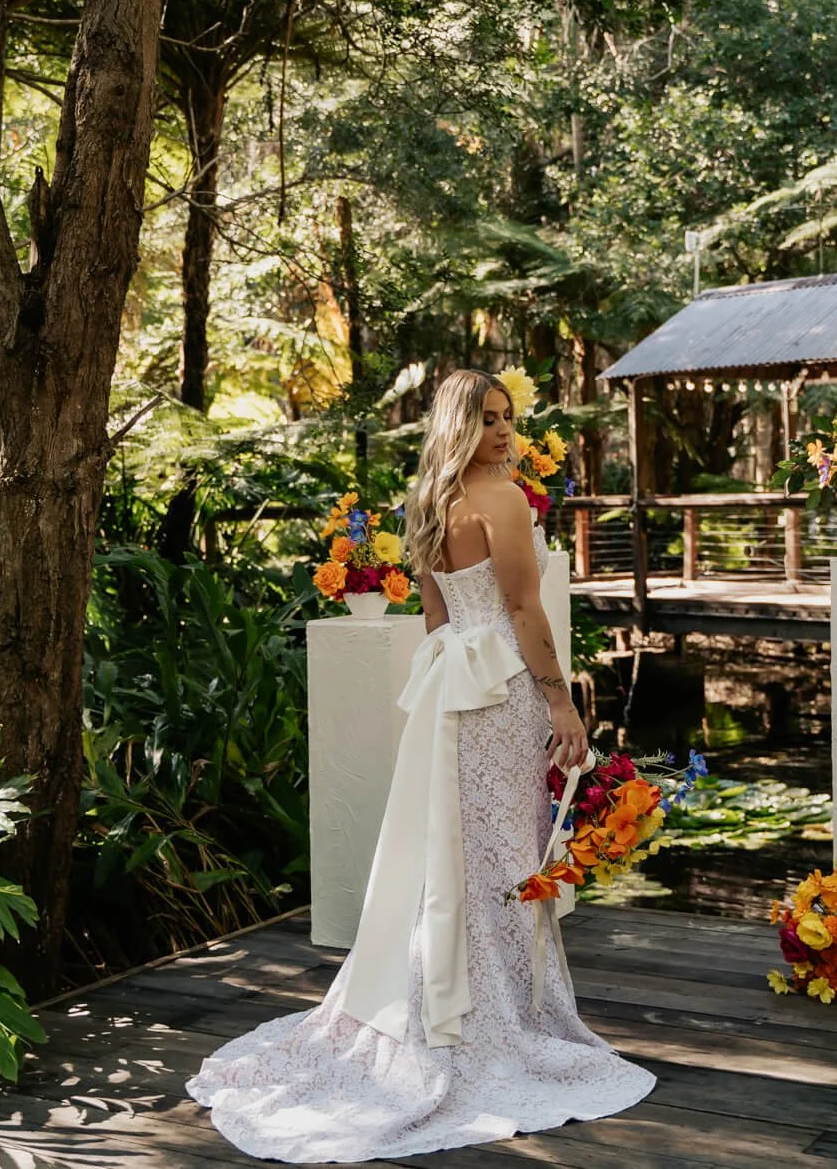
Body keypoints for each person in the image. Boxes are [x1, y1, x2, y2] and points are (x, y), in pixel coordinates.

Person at [186, 369, 655, 1163]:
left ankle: (461, 1008)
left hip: (451, 694)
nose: (506, 434)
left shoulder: (428, 501)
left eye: (509, 419)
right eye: (491, 421)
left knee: (460, 856)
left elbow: (436, 618)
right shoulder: (506, 501)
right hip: (503, 689)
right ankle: (498, 1023)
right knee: (503, 856)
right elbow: (524, 610)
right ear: (462, 424)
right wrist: (562, 702)